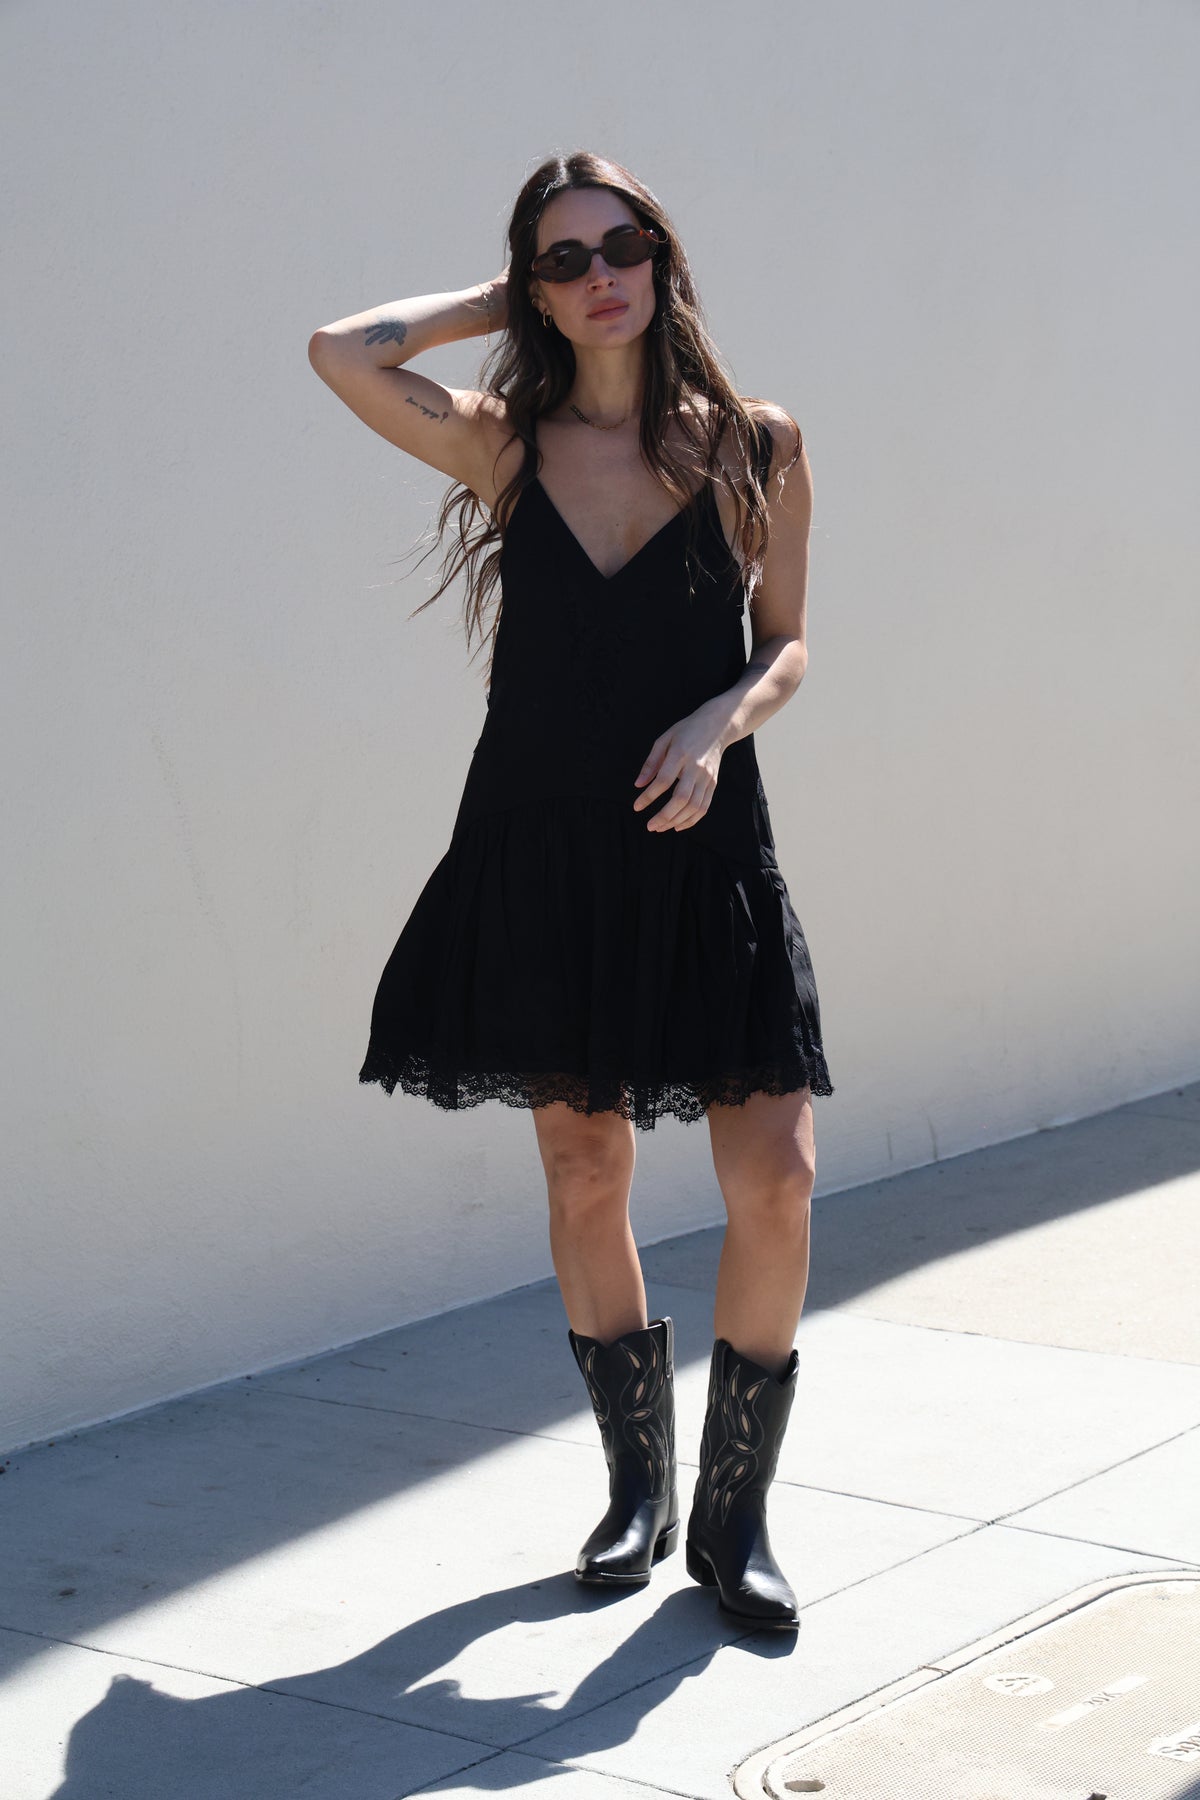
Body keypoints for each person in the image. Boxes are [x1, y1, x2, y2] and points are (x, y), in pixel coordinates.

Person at [308, 149, 834, 1632]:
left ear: (665, 258)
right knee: (584, 1170)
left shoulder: (756, 444)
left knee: (775, 1182)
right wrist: (504, 298)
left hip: (702, 848)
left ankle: (734, 1519)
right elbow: (340, 350)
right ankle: (634, 1491)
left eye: (623, 244)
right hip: (538, 850)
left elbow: (788, 644)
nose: (599, 272)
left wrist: (719, 723)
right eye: (563, 258)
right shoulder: (502, 445)